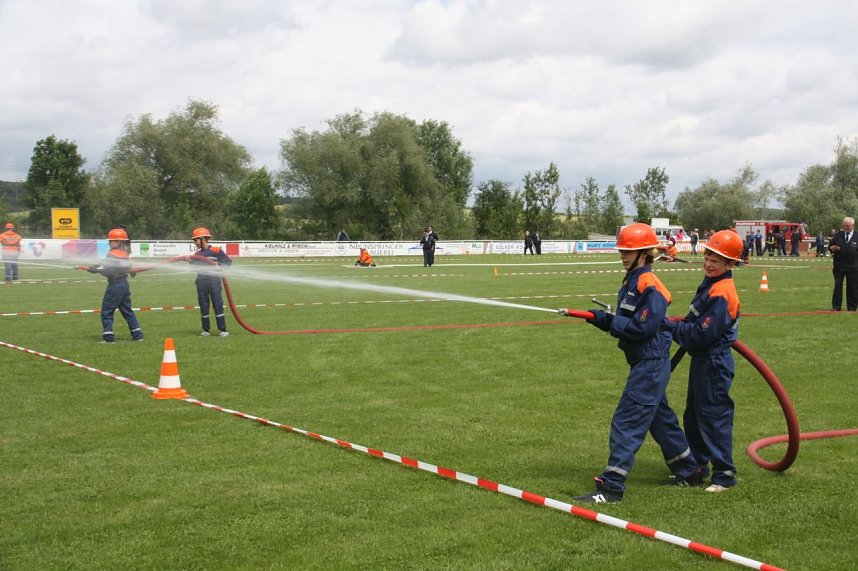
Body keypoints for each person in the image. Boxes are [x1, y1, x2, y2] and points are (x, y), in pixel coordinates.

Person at [570, 223, 702, 504]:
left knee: (627, 419)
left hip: (651, 363)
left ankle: (612, 487)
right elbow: (630, 321)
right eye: (622, 250)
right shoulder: (632, 279)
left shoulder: (651, 286)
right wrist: (604, 320)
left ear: (645, 253)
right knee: (659, 419)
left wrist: (610, 321)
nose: (622, 255)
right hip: (644, 361)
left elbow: (643, 328)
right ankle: (689, 470)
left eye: (628, 251)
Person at [662, 229, 743, 493]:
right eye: (708, 255)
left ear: (730, 264)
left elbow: (700, 335)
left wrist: (670, 328)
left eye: (716, 260)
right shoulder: (711, 284)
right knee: (695, 416)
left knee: (712, 416)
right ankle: (696, 468)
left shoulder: (722, 292)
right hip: (702, 361)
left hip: (714, 361)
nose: (708, 262)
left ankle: (724, 474)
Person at [87, 228, 143, 343]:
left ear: (119, 242)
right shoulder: (124, 254)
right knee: (127, 310)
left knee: (107, 310)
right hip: (124, 284)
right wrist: (98, 267)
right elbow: (126, 268)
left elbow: (109, 270)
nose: (109, 243)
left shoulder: (112, 253)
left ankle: (108, 337)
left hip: (115, 284)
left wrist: (96, 270)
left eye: (112, 241)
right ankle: (137, 335)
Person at [190, 227, 232, 336]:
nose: (195, 243)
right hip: (201, 282)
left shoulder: (216, 250)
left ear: (203, 239)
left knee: (218, 304)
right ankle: (206, 329)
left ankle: (222, 329)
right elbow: (193, 266)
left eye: (196, 240)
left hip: (214, 281)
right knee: (203, 305)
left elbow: (227, 262)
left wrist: (219, 266)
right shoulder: (196, 254)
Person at [828, 216, 858, 312]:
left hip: (853, 266)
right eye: (844, 225)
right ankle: (836, 307)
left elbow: (853, 250)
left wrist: (842, 249)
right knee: (837, 286)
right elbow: (830, 245)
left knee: (852, 287)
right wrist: (832, 247)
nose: (845, 227)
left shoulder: (857, 236)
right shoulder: (838, 235)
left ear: (853, 226)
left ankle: (852, 308)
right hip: (839, 266)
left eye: (847, 226)